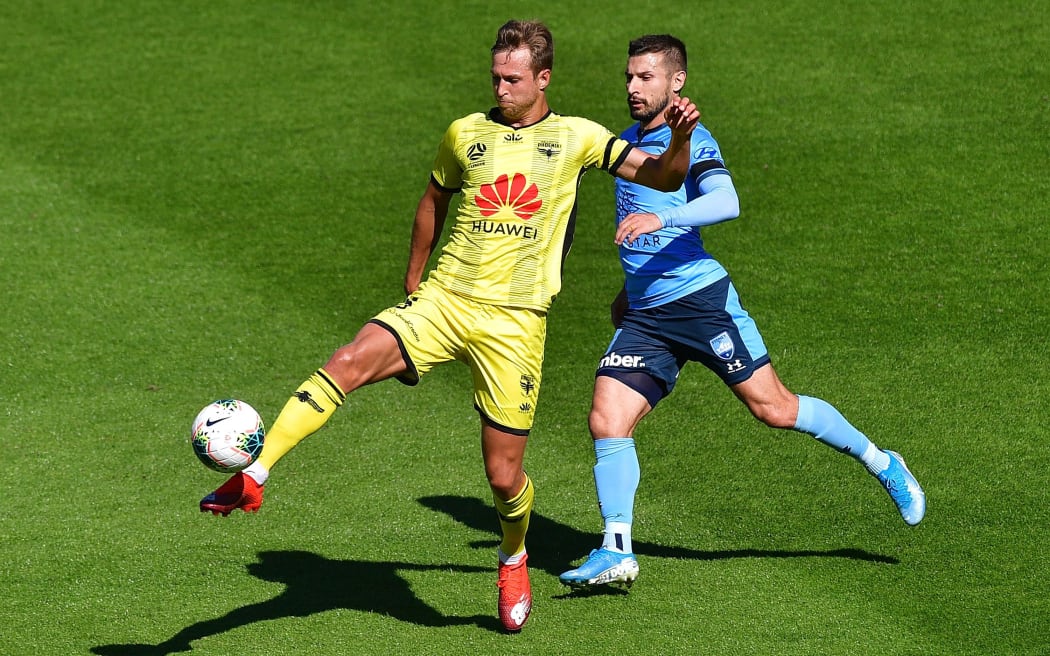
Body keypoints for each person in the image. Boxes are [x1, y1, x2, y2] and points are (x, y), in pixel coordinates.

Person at [199, 20, 700, 632]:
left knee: (502, 473)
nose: (502, 88)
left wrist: (678, 140)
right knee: (348, 360)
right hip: (446, 299)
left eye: (513, 79)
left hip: (515, 325)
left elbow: (667, 178)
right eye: (496, 77)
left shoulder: (580, 138)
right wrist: (414, 282)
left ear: (543, 78)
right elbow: (433, 201)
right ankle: (256, 472)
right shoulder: (465, 133)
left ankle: (513, 554)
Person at [558, 34, 926, 590]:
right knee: (607, 419)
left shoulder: (696, 140)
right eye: (629, 77)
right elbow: (637, 221)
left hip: (702, 304)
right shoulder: (628, 144)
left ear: (675, 81)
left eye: (646, 77)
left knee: (775, 409)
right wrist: (630, 288)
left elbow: (725, 203)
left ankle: (881, 460)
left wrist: (666, 222)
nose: (633, 88)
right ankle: (616, 549)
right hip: (646, 314)